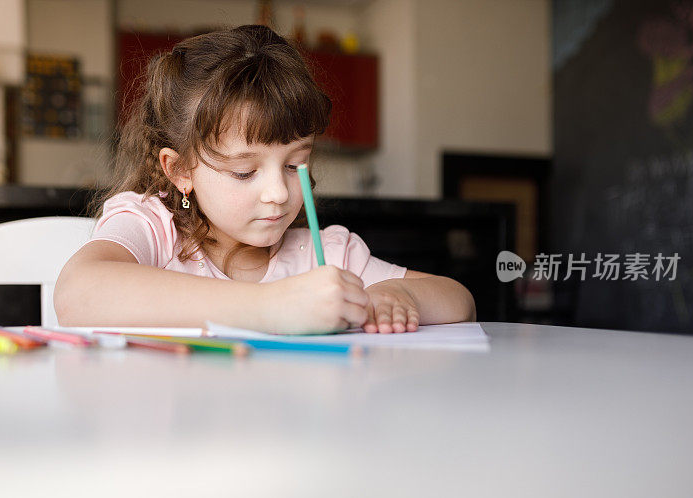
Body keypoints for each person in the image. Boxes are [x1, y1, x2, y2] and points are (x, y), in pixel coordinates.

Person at [54, 25, 475, 334]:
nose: (278, 193)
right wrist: (273, 306)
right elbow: (78, 293)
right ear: (180, 170)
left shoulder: (324, 255)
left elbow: (460, 299)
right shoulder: (153, 227)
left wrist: (402, 297)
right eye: (244, 171)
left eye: (295, 165)